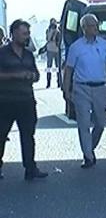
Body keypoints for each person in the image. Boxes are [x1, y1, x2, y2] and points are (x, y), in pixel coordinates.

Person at [62, 14, 106, 169]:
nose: (95, 28)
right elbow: (68, 70)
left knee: (101, 123)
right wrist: (66, 90)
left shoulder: (104, 45)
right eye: (92, 26)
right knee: (83, 123)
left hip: (100, 87)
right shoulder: (76, 47)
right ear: (84, 28)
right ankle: (88, 156)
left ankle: (90, 148)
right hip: (81, 87)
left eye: (96, 25)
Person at [0, 20, 48, 181]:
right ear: (14, 33)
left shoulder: (28, 54)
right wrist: (15, 75)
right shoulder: (2, 53)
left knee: (28, 136)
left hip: (26, 101)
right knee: (1, 136)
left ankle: (30, 168)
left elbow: (36, 74)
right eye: (24, 33)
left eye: (28, 33)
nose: (26, 37)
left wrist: (32, 76)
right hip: (5, 102)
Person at [45, 19, 62, 89]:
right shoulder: (52, 31)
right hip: (53, 50)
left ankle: (57, 82)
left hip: (54, 50)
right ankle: (50, 82)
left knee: (56, 67)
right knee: (51, 67)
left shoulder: (57, 31)